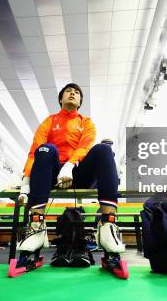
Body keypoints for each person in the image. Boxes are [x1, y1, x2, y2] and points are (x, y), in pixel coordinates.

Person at [17, 83, 125, 267]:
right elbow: (35, 151)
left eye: (76, 93)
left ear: (80, 101)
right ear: (61, 99)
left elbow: (84, 147)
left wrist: (68, 168)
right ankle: (36, 225)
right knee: (46, 148)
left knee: (104, 150)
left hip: (79, 172)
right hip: (51, 175)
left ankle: (108, 225)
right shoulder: (49, 121)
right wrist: (25, 184)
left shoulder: (86, 122)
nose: (72, 94)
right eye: (68, 91)